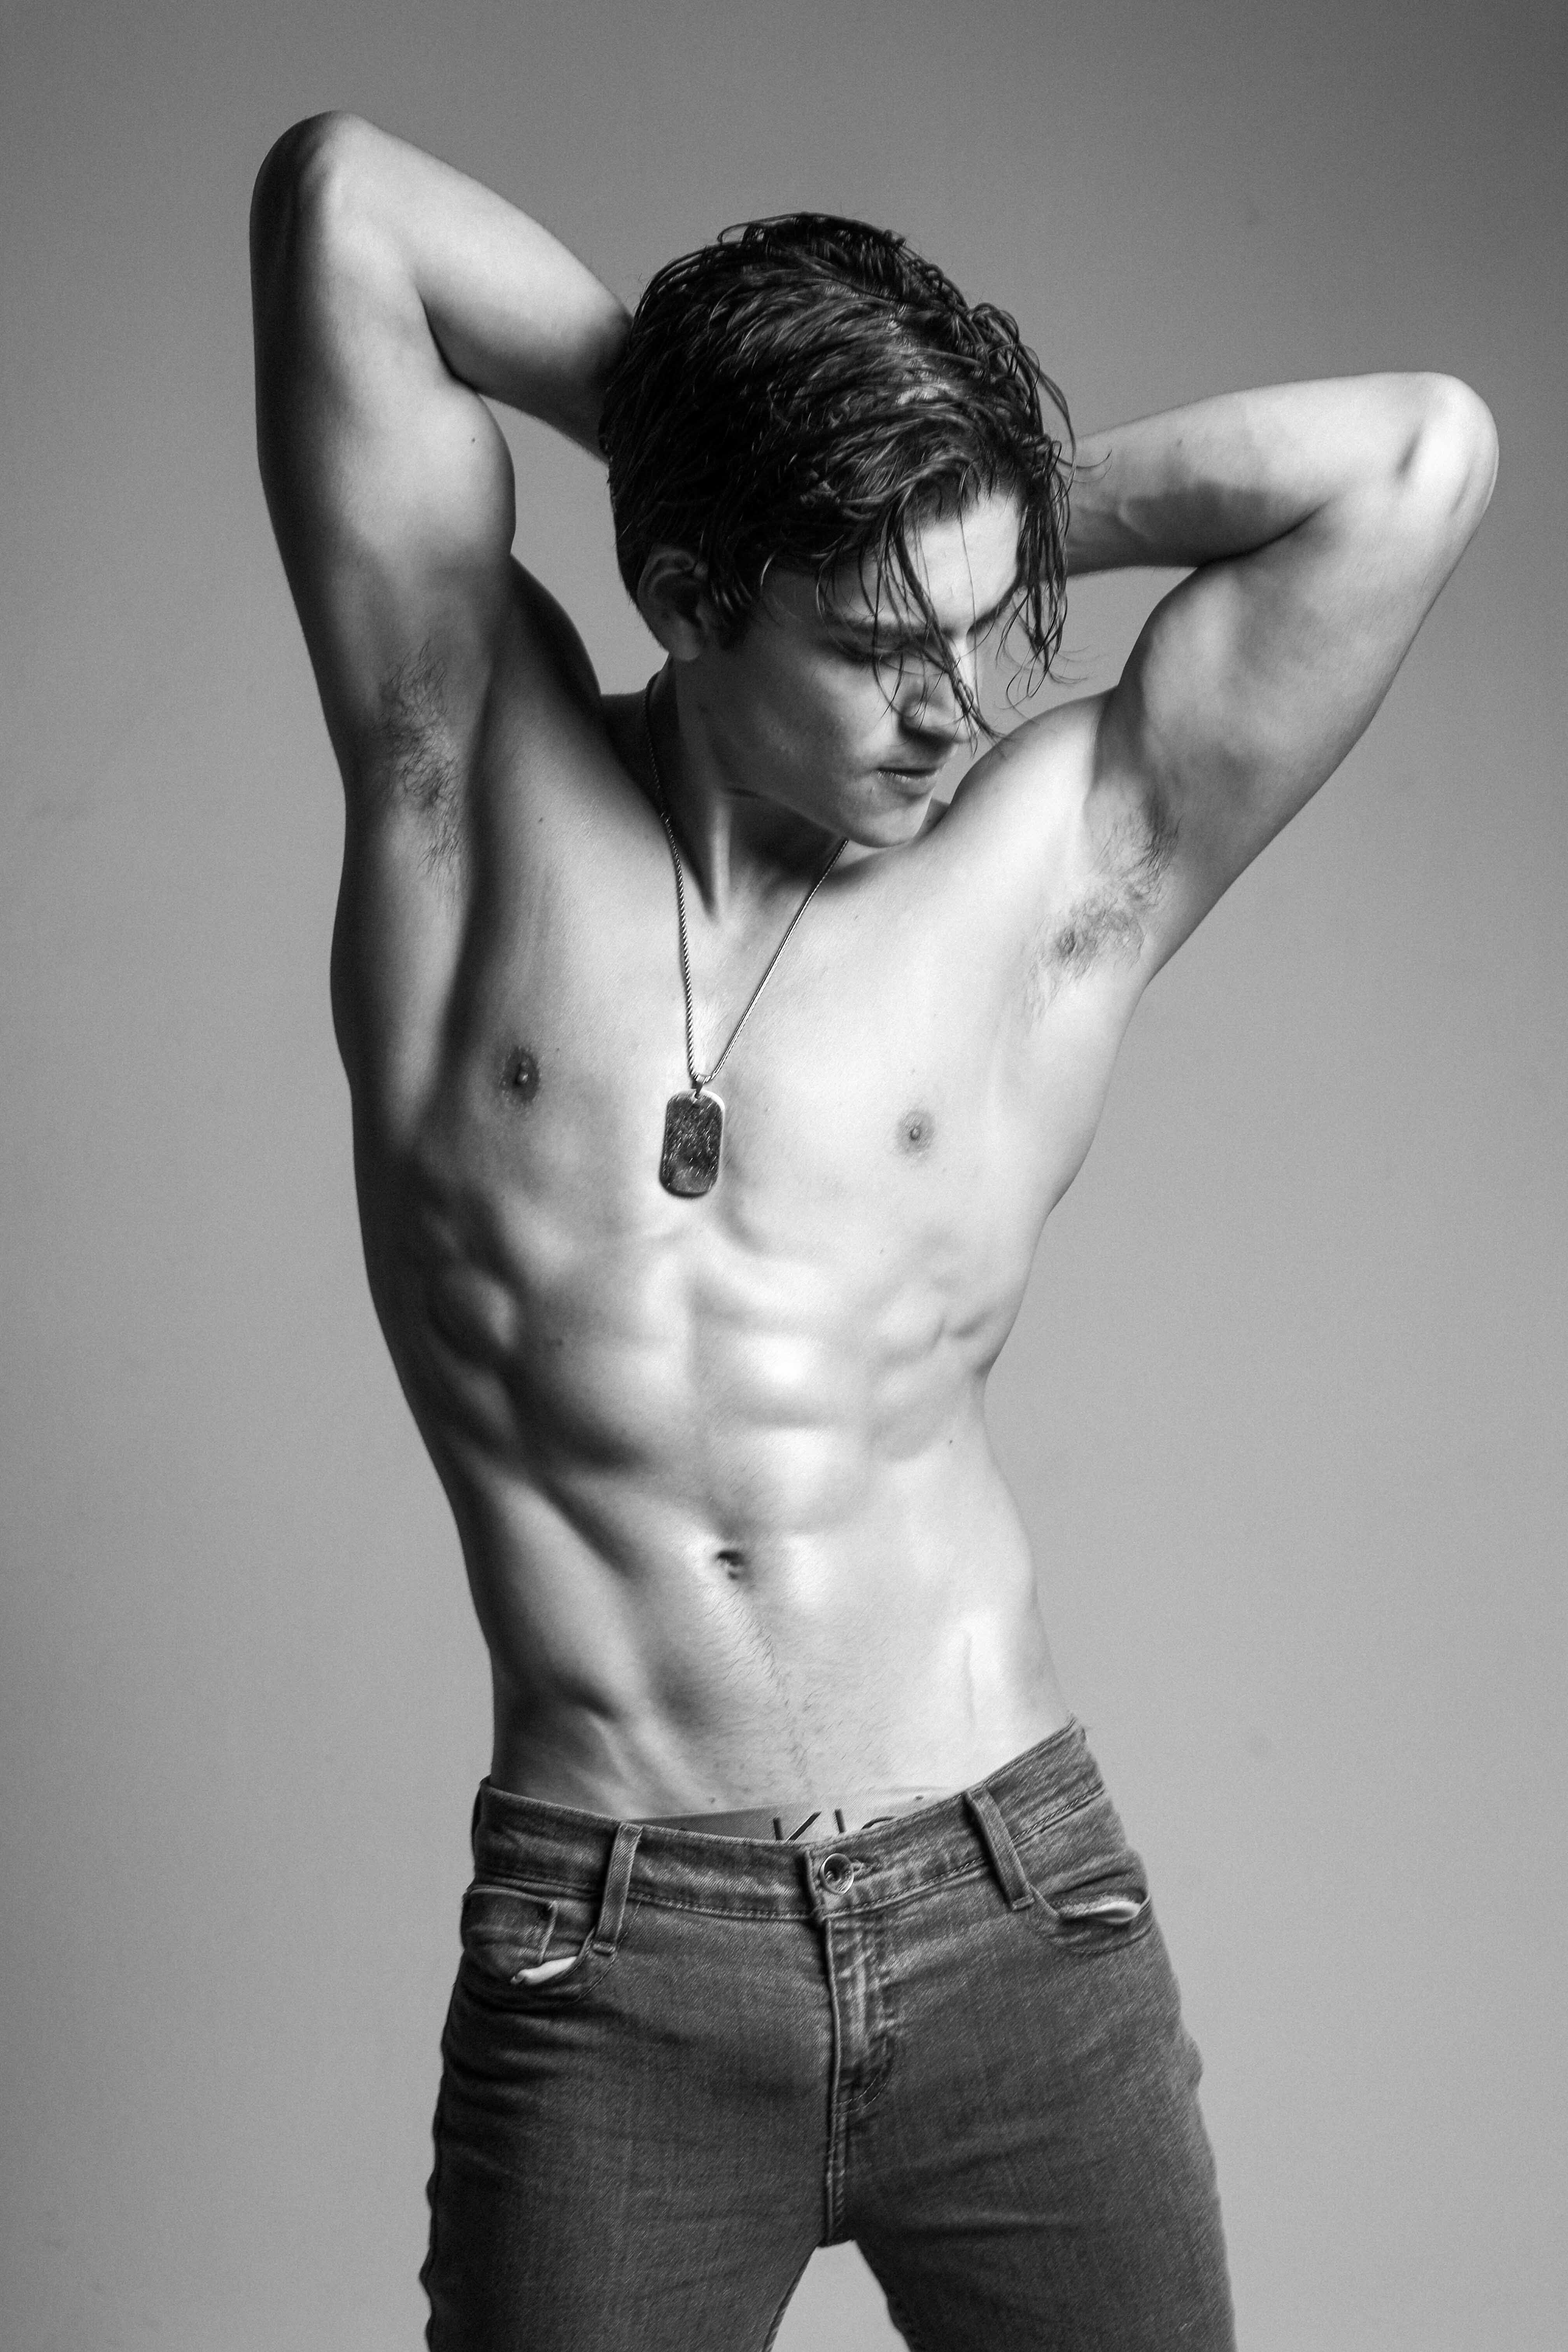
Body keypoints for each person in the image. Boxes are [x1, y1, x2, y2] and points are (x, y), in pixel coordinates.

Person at [250, 110, 1496, 2352]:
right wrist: (741, 448)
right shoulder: (459, 772)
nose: (961, 703)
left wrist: (957, 507)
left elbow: (1421, 457)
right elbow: (347, 204)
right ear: (689, 593)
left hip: (1017, 1911)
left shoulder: (1048, 868)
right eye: (871, 639)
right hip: (616, 1951)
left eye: (984, 629)